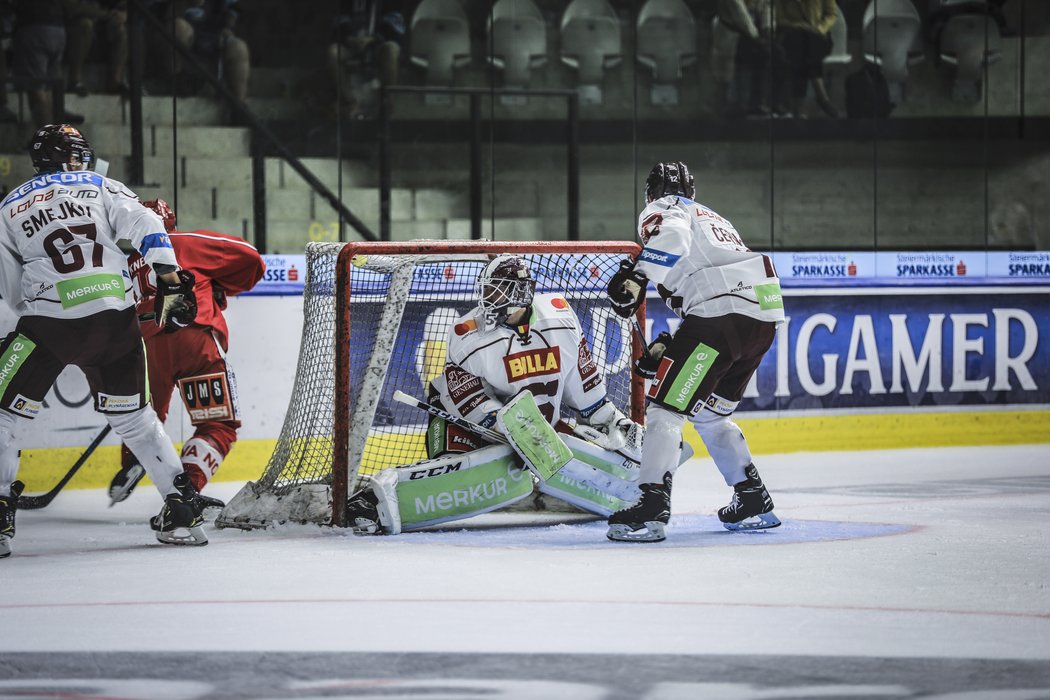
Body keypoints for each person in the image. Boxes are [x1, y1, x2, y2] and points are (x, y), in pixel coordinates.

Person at [0, 124, 207, 557]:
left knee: (4, 414)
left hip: (48, 324)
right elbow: (147, 221)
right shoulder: (103, 185)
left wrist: (30, 321)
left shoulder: (10, 204)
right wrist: (169, 277)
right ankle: (181, 503)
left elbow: (12, 288)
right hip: (115, 320)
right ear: (72, 157)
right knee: (135, 418)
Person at [345, 254, 636, 535]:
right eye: (486, 292)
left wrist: (611, 421)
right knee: (464, 479)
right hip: (467, 424)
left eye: (496, 294)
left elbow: (587, 396)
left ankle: (640, 492)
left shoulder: (561, 318)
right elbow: (465, 396)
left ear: (520, 293)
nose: (487, 301)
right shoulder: (467, 333)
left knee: (557, 464)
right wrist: (508, 426)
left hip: (537, 432)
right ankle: (374, 501)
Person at [604, 161, 785, 543]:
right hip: (761, 318)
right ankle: (752, 497)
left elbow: (673, 238)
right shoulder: (716, 219)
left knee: (665, 410)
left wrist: (637, 278)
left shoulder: (666, 208)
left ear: (651, 192)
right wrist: (668, 349)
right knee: (709, 414)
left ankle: (651, 502)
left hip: (720, 317)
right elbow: (700, 278)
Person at [108, 198, 265, 505]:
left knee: (146, 419)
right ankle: (188, 491)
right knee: (218, 424)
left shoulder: (125, 263)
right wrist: (225, 284)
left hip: (148, 345)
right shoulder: (184, 242)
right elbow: (252, 258)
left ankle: (133, 460)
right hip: (195, 337)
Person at [325, 0, 405, 119]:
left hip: (379, 45)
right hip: (351, 44)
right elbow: (339, 23)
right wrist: (349, 38)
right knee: (333, 52)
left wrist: (372, 39)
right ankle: (349, 101)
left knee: (391, 49)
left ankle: (388, 101)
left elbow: (395, 29)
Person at [772, 0, 838, 118]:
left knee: (804, 50)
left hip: (818, 37)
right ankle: (822, 97)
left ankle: (797, 108)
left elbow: (831, 14)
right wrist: (797, 25)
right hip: (793, 35)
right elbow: (779, 18)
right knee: (801, 47)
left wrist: (819, 28)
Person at [63, 0, 129, 96]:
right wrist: (102, 14)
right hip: (68, 24)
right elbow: (72, 7)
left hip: (99, 22)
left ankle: (115, 82)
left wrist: (121, 14)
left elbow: (121, 6)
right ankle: (74, 81)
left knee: (121, 30)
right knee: (85, 24)